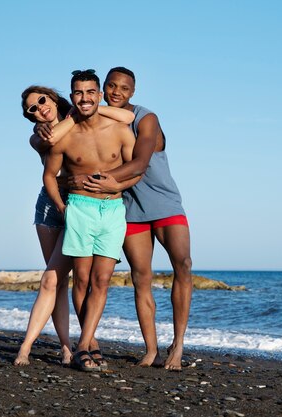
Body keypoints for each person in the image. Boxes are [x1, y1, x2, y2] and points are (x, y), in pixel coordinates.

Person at [74, 67, 193, 371]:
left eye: (124, 88)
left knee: (183, 266)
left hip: (165, 204)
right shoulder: (97, 121)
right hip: (130, 209)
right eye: (111, 86)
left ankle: (177, 346)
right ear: (104, 89)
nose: (117, 92)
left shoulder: (146, 118)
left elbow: (140, 162)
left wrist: (99, 180)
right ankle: (151, 350)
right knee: (141, 278)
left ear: (133, 92)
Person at [14, 85, 134, 366]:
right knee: (54, 281)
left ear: (53, 98)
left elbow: (126, 119)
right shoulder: (38, 136)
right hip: (53, 206)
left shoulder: (79, 115)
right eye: (32, 109)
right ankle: (63, 347)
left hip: (84, 207)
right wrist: (76, 115)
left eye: (42, 100)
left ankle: (75, 344)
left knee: (58, 280)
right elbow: (53, 142)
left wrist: (85, 108)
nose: (40, 108)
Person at [43, 69, 138, 371]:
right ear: (72, 98)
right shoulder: (65, 136)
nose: (84, 98)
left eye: (89, 92)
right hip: (80, 208)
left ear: (99, 95)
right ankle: (88, 344)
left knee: (102, 280)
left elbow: (137, 169)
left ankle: (85, 343)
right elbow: (49, 175)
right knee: (82, 279)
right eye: (78, 93)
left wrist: (116, 186)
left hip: (112, 210)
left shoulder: (120, 129)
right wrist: (62, 207)